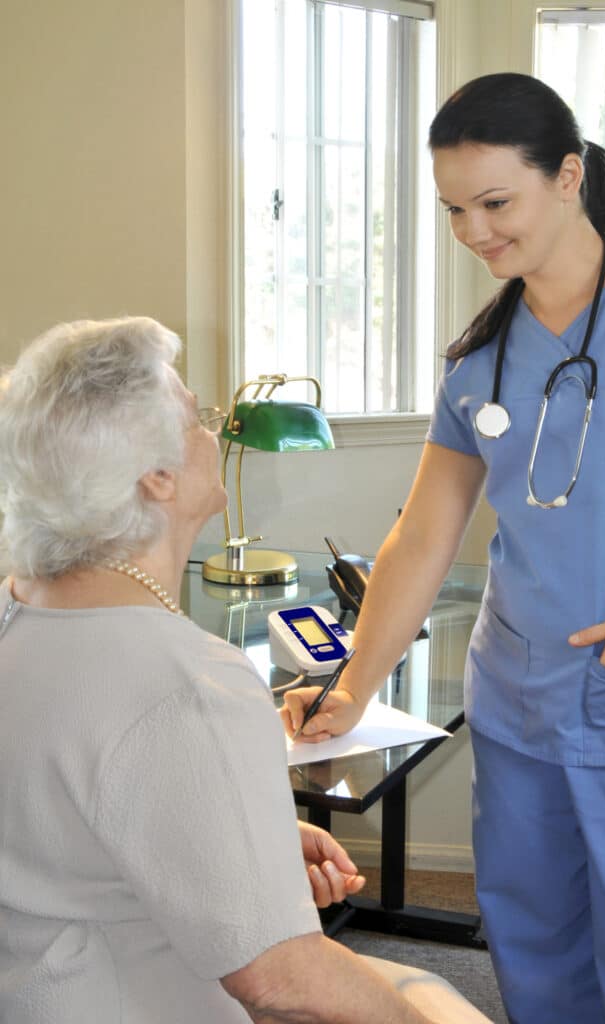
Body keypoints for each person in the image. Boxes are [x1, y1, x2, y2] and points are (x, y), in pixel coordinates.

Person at [282, 73, 605, 1023]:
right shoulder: (482, 355)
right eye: (453, 210)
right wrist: (354, 681)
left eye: (494, 202)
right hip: (518, 705)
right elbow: (424, 533)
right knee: (536, 952)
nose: (475, 232)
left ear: (568, 176)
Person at [0, 316, 492, 1024]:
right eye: (196, 417)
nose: (213, 431)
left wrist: (241, 843)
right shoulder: (190, 683)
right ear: (158, 477)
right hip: (133, 1001)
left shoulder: (19, 612)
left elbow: (58, 817)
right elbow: (280, 979)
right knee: (435, 1004)